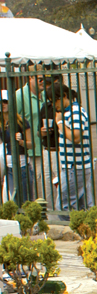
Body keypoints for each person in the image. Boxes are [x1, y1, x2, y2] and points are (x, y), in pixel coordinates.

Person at [48, 81, 93, 223]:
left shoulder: (75, 112)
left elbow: (76, 137)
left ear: (64, 96)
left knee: (63, 206)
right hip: (72, 166)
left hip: (75, 167)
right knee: (81, 206)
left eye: (54, 101)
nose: (53, 105)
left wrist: (60, 123)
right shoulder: (69, 112)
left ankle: (71, 230)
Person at [13, 66, 49, 202]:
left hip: (47, 147)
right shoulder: (19, 96)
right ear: (30, 77)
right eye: (40, 79)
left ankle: (47, 211)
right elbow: (10, 120)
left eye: (45, 79)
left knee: (47, 185)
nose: (43, 82)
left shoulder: (45, 95)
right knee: (34, 186)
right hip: (30, 150)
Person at [0, 89, 34, 205]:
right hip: (7, 167)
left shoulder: (21, 121)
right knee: (13, 201)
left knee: (24, 201)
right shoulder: (1, 123)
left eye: (5, 101)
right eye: (1, 102)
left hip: (22, 165)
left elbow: (31, 144)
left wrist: (21, 142)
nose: (3, 104)